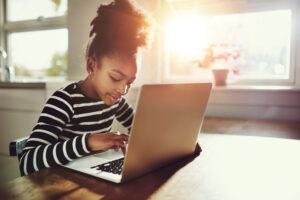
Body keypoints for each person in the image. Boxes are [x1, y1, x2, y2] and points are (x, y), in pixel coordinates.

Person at [19, 0, 154, 176]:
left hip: (90, 181)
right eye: (115, 78)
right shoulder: (64, 102)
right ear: (91, 66)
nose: (123, 90)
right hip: (57, 186)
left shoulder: (114, 102)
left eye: (129, 82)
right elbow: (27, 162)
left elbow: (141, 127)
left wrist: (173, 144)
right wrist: (87, 142)